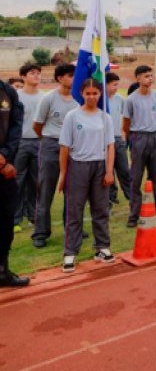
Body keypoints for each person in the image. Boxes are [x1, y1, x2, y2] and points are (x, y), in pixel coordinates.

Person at [57, 78, 115, 272]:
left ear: (100, 94)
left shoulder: (105, 117)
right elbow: (65, 147)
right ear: (81, 94)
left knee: (100, 209)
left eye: (95, 93)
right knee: (75, 210)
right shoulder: (72, 117)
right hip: (78, 166)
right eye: (88, 93)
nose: (91, 97)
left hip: (99, 166)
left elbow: (110, 146)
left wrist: (108, 171)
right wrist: (63, 174)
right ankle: (70, 253)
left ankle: (102, 247)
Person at [31, 63, 77, 248]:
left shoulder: (79, 99)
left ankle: (73, 229)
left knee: (73, 191)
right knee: (46, 189)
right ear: (60, 78)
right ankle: (40, 233)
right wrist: (48, 140)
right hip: (51, 145)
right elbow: (37, 125)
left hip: (73, 148)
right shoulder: (49, 98)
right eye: (70, 75)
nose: (74, 79)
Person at [123, 65, 156, 228]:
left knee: (155, 176)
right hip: (138, 137)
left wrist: (151, 132)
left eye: (151, 76)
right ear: (138, 78)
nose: (150, 79)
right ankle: (133, 214)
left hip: (154, 137)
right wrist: (135, 138)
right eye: (146, 76)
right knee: (135, 177)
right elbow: (126, 123)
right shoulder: (131, 99)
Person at [0, 77, 28, 287]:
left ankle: (2, 271)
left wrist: (5, 157)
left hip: (4, 169)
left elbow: (16, 127)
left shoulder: (8, 91)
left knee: (5, 221)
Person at [13, 63, 42, 232]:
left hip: (38, 142)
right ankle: (15, 218)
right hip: (20, 143)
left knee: (36, 182)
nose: (36, 76)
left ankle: (33, 215)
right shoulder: (16, 96)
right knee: (17, 181)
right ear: (23, 77)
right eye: (32, 73)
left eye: (38, 73)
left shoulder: (44, 97)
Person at [105, 73, 132, 205]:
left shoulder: (120, 99)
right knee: (107, 171)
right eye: (114, 84)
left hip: (117, 139)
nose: (116, 87)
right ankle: (110, 196)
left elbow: (124, 117)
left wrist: (122, 134)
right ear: (106, 84)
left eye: (117, 84)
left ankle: (131, 196)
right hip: (104, 141)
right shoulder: (100, 101)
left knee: (124, 169)